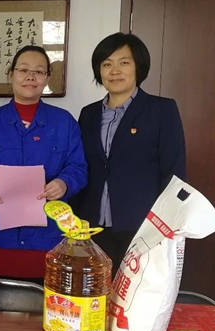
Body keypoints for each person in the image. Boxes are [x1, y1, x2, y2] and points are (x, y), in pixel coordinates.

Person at [0, 45, 88, 281]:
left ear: (47, 78)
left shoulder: (64, 122)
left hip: (50, 235)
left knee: (47, 299)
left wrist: (64, 183)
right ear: (11, 74)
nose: (30, 77)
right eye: (23, 70)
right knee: (0, 298)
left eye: (39, 72)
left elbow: (78, 167)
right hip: (0, 234)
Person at [75, 32, 186, 270]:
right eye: (107, 64)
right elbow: (82, 165)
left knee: (137, 291)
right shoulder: (88, 114)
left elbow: (174, 171)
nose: (114, 71)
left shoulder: (161, 110)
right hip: (92, 226)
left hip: (142, 226)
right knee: (96, 289)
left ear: (139, 67)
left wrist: (165, 223)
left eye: (124, 62)